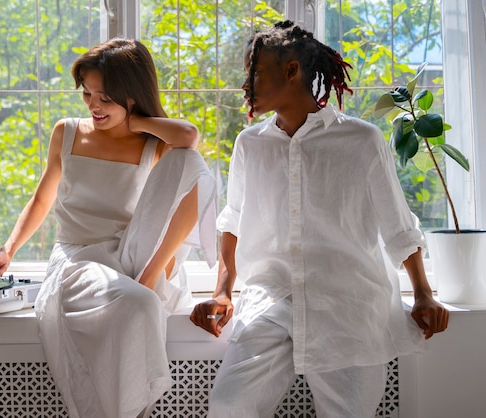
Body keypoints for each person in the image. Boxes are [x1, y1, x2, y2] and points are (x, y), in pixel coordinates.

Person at [190, 20, 449, 418]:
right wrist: (223, 290)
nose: (248, 84)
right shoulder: (250, 144)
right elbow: (233, 220)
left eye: (257, 73)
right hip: (271, 301)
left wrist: (423, 293)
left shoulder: (361, 140)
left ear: (292, 71)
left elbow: (397, 223)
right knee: (228, 404)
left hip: (348, 305)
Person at [0, 37, 217, 418]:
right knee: (138, 306)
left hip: (129, 255)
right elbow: (41, 200)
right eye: (87, 94)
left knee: (193, 164)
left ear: (132, 95)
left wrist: (134, 120)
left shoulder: (151, 142)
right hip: (78, 259)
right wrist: (8, 249)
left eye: (105, 97)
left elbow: (189, 137)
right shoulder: (67, 132)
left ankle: (149, 279)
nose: (93, 106)